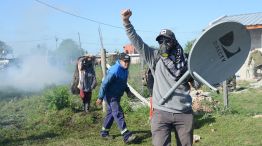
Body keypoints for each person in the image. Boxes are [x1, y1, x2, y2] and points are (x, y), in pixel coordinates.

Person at [121, 9, 200, 146]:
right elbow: (137, 42)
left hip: (184, 113)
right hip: (161, 113)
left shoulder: (185, 60)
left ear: (174, 41)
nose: (163, 44)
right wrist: (126, 22)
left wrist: (196, 79)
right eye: (160, 41)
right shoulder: (155, 57)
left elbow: (198, 84)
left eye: (167, 41)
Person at [96, 52, 137, 144]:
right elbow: (104, 84)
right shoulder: (114, 70)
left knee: (111, 114)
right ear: (120, 61)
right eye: (125, 61)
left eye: (128, 61)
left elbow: (123, 83)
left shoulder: (125, 70)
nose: (127, 63)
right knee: (118, 113)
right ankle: (126, 136)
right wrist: (100, 97)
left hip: (117, 95)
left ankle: (104, 132)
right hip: (110, 96)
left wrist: (128, 91)